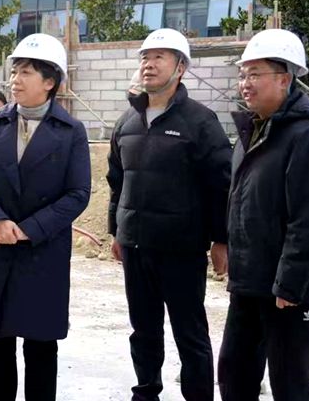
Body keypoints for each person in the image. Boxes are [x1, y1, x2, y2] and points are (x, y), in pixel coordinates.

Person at [0, 33, 91, 401]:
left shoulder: (71, 132)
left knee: (40, 345)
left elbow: (78, 193)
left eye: (26, 73)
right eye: (15, 71)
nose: (15, 80)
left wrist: (29, 230)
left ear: (49, 82)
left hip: (41, 251)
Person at [107, 28, 232, 401]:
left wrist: (221, 239)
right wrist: (116, 231)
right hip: (136, 247)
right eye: (145, 57)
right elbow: (117, 181)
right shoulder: (127, 122)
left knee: (189, 333)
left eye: (159, 57)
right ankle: (146, 392)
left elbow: (221, 184)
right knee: (143, 330)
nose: (149, 64)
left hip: (182, 249)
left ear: (180, 68)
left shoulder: (201, 121)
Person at [217, 29, 309, 401]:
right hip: (249, 282)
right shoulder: (253, 131)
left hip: (288, 291)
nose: (245, 83)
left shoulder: (308, 137)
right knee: (234, 375)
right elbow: (243, 203)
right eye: (243, 74)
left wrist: (291, 285)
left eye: (255, 74)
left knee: (290, 384)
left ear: (284, 79)